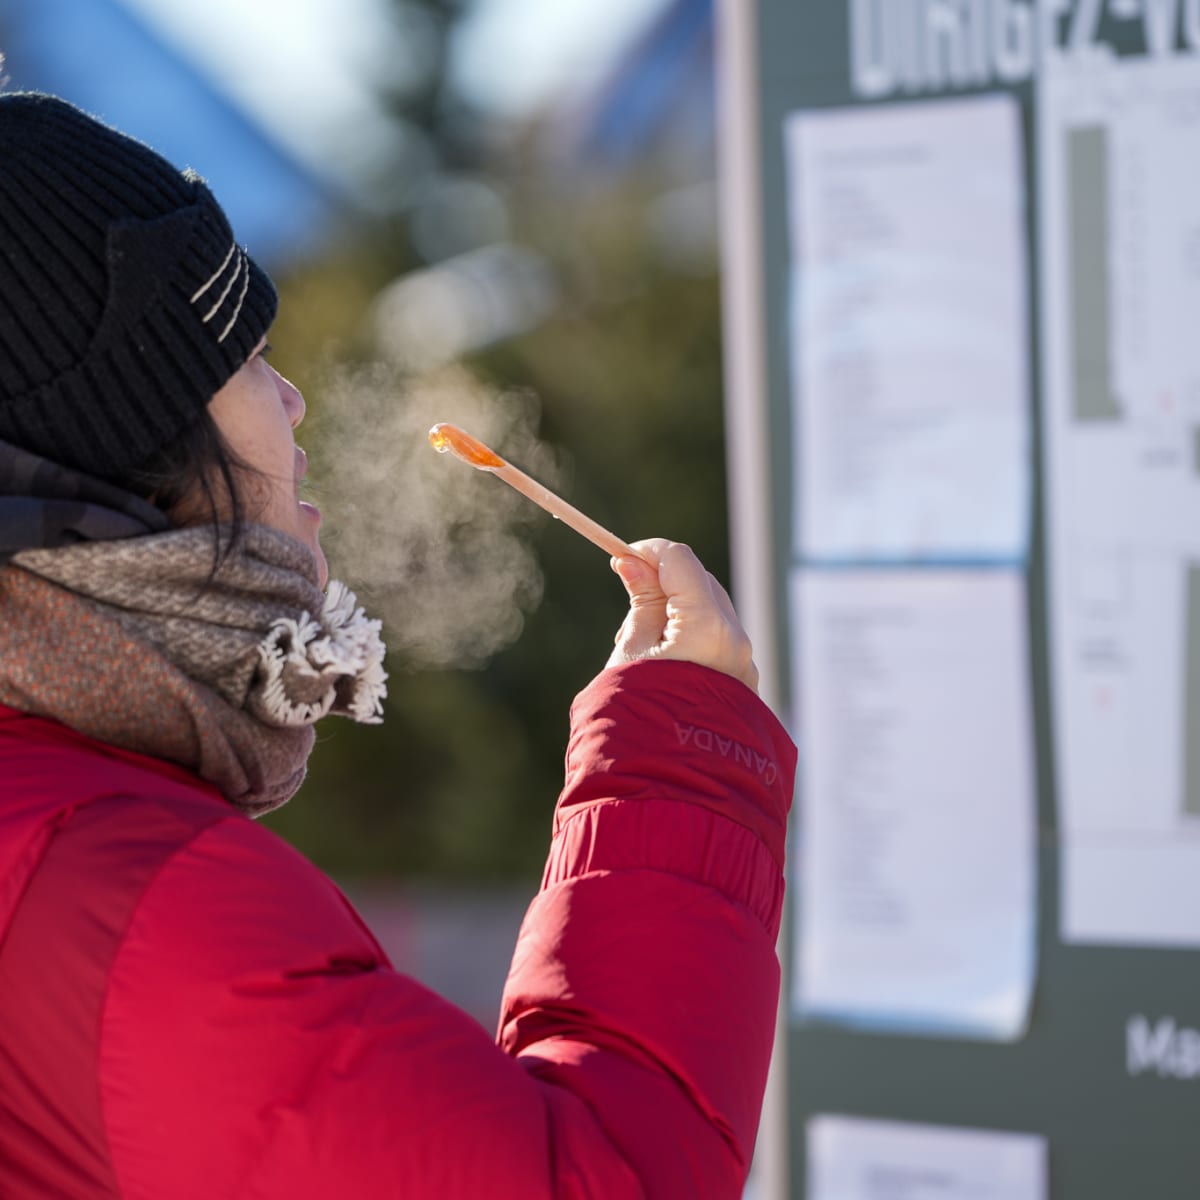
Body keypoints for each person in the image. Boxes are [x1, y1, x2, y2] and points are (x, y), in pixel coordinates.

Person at [0, 92, 796, 1198]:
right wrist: (677, 767)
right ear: (131, 439)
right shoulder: (129, 905)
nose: (293, 403)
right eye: (247, 358)